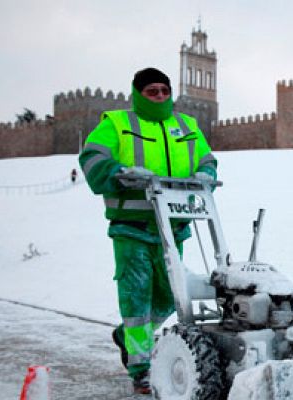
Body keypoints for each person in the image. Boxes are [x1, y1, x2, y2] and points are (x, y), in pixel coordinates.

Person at [78, 68, 217, 394]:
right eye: (152, 91)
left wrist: (206, 173)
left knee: (172, 295)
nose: (159, 96)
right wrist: (119, 172)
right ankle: (141, 367)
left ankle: (127, 336)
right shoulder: (117, 123)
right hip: (132, 226)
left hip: (173, 226)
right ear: (139, 94)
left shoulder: (186, 125)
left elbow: (207, 157)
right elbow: (92, 157)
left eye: (164, 91)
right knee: (137, 297)